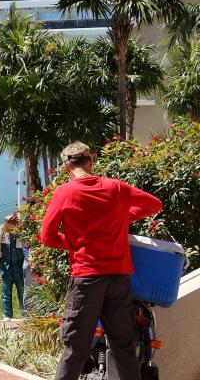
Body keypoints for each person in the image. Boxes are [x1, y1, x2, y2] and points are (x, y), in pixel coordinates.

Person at [41, 141, 162, 380]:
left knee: (75, 349)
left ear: (66, 167)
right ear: (91, 160)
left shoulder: (64, 192)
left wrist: (73, 242)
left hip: (86, 279)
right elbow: (154, 204)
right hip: (118, 279)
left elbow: (47, 236)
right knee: (125, 348)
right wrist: (124, 218)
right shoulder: (116, 188)